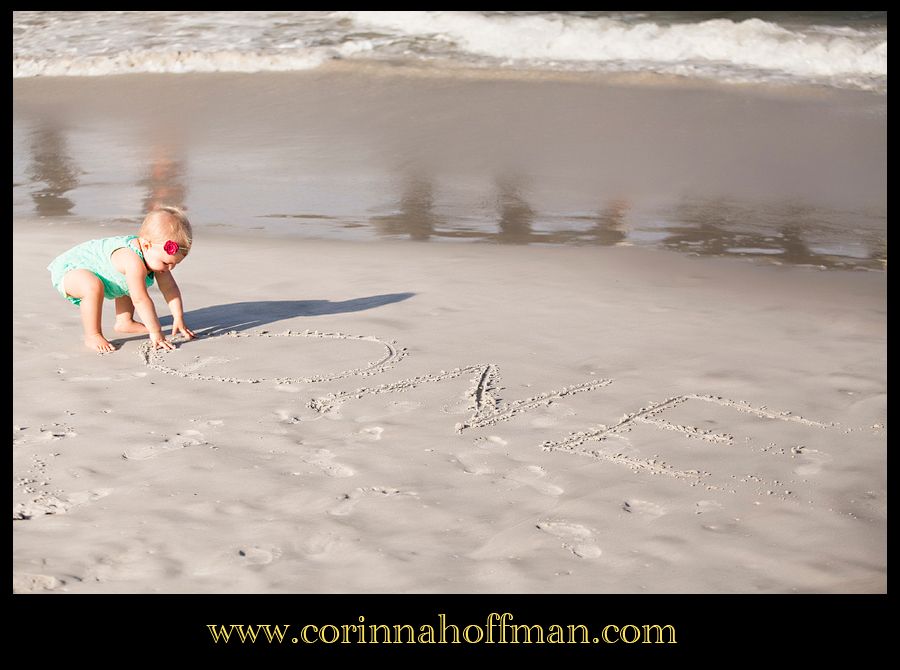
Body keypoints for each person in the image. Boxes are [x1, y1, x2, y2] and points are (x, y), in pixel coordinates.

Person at [47, 206, 196, 353]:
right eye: (166, 263)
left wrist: (178, 316)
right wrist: (156, 331)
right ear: (146, 245)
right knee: (93, 286)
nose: (170, 268)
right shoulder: (132, 261)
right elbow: (140, 299)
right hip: (72, 270)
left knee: (133, 282)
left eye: (175, 264)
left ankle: (124, 322)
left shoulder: (156, 257)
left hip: (104, 273)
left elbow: (170, 288)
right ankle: (93, 335)